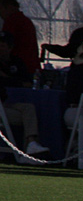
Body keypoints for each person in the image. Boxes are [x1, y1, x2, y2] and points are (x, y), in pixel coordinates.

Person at [0, 31, 48, 161]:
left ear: (10, 47)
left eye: (3, 45)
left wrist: (8, 78)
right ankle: (29, 149)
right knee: (26, 115)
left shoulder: (16, 62)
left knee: (29, 109)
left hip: (7, 105)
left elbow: (26, 81)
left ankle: (30, 146)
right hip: (1, 107)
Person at [41, 4, 83, 102]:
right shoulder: (78, 34)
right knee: (73, 104)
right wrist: (51, 48)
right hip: (78, 77)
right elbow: (68, 51)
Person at [0, 0, 40, 74]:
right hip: (31, 65)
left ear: (9, 7)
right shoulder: (26, 21)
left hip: (19, 66)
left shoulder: (12, 21)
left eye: (1, 9)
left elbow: (5, 43)